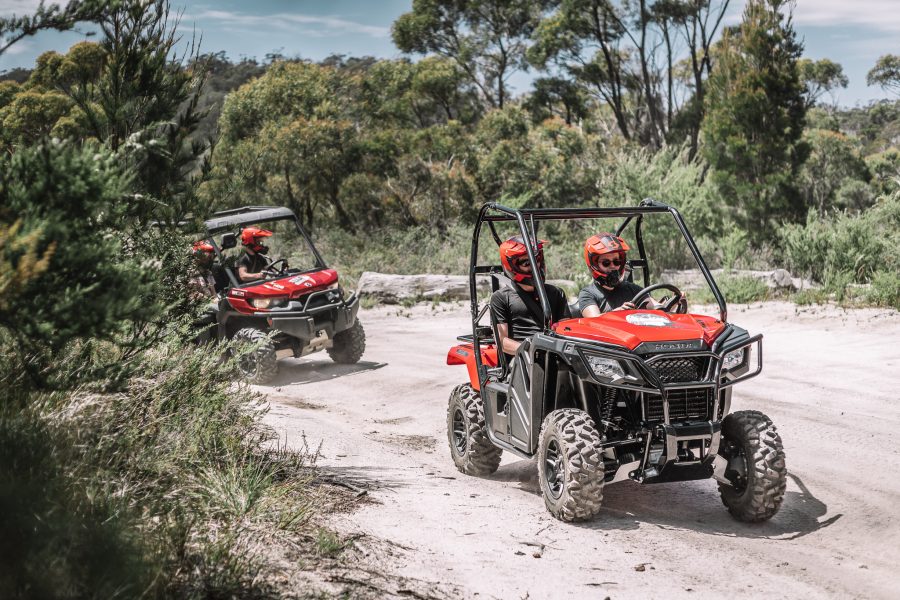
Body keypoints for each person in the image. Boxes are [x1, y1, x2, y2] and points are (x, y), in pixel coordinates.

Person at [490, 235, 569, 361]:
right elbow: (501, 341)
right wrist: (533, 350)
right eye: (527, 263)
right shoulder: (501, 298)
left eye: (537, 260)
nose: (535, 266)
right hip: (522, 360)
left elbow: (567, 330)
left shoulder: (556, 293)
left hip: (555, 355)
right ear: (512, 266)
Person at [578, 233, 674, 317]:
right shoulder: (587, 294)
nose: (613, 266)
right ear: (594, 265)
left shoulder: (631, 289)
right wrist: (619, 313)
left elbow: (657, 308)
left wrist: (673, 303)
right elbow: (593, 321)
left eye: (616, 262)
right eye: (606, 263)